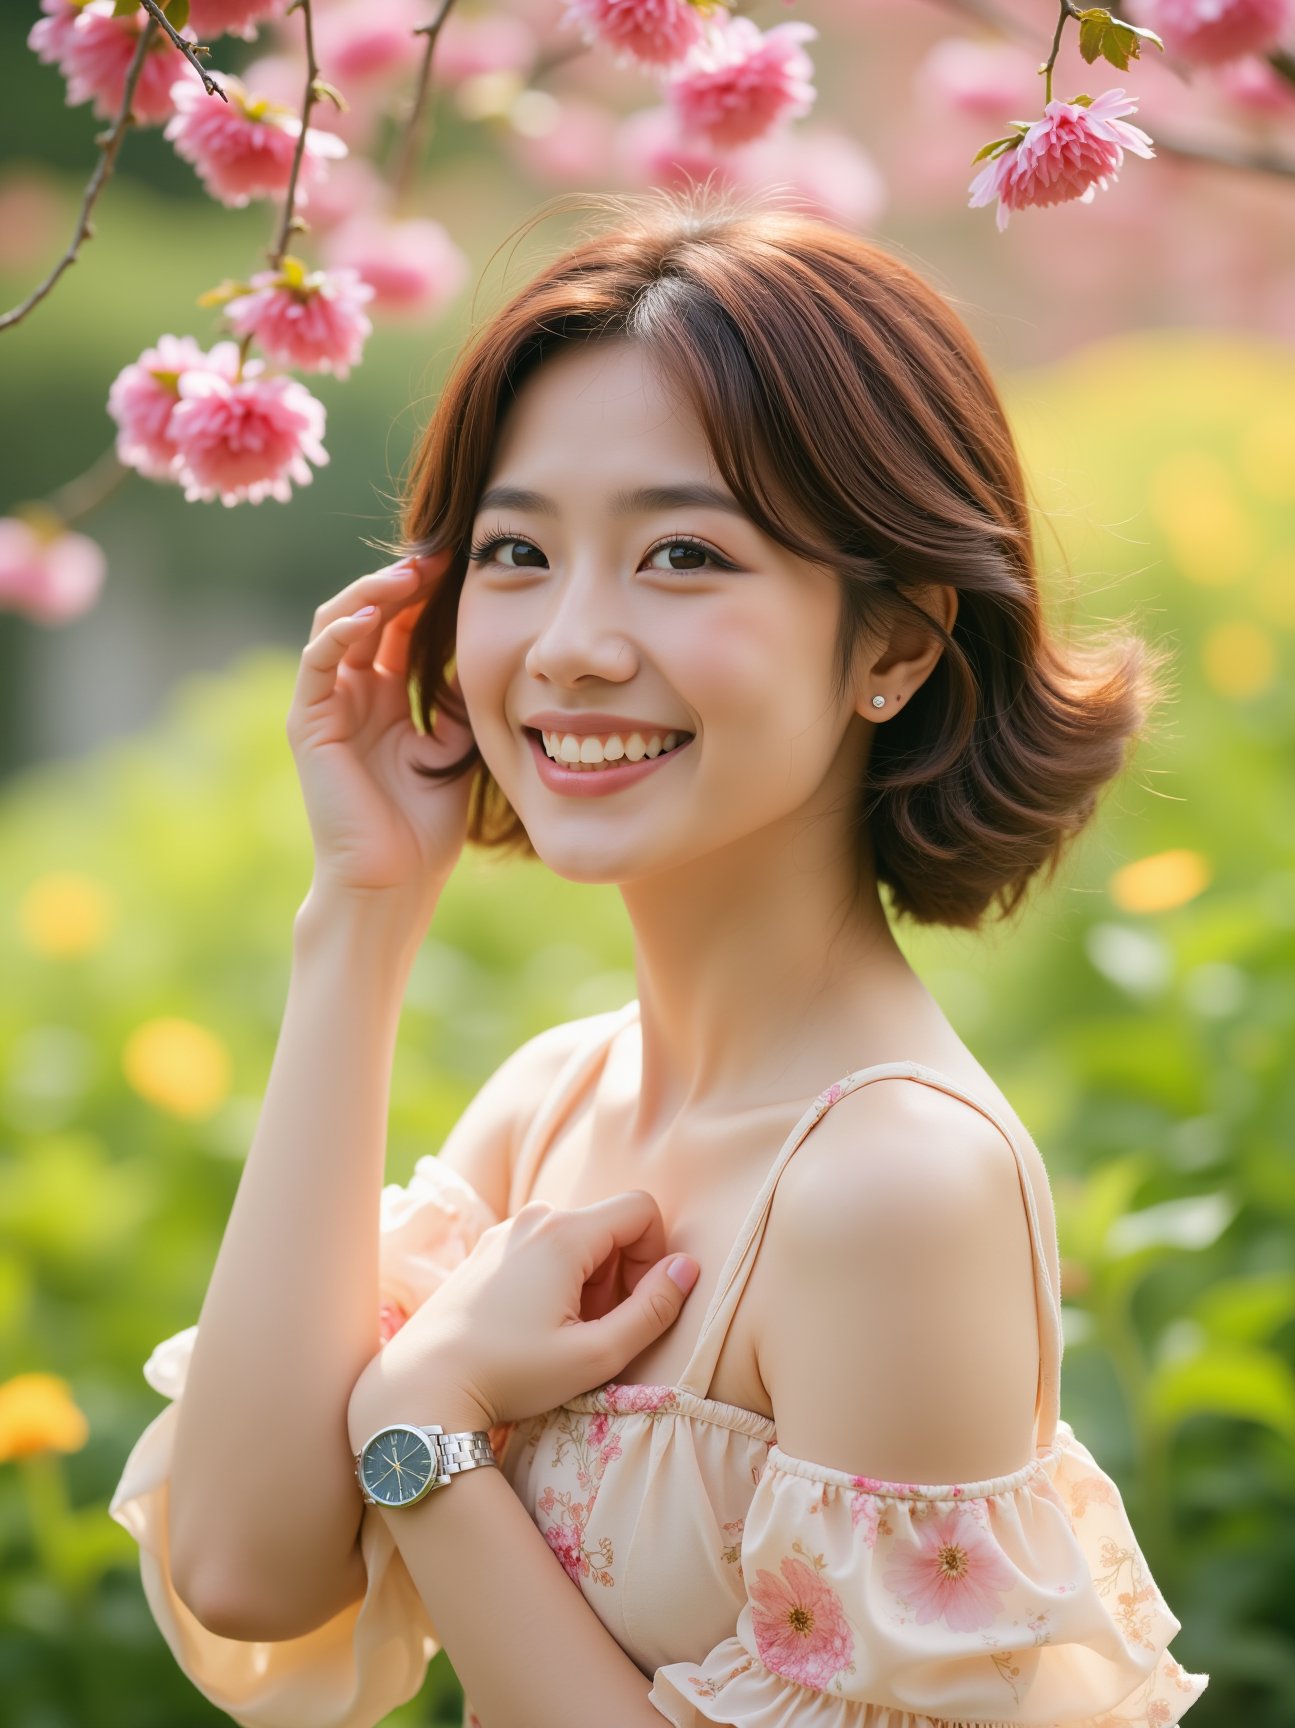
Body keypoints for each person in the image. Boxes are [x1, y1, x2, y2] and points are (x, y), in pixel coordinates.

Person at [110, 184, 1209, 1728]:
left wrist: (425, 1424)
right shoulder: (557, 1102)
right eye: (514, 554)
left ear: (893, 643)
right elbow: (244, 1569)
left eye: (681, 556)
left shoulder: (892, 1188)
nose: (568, 641)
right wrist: (358, 918)